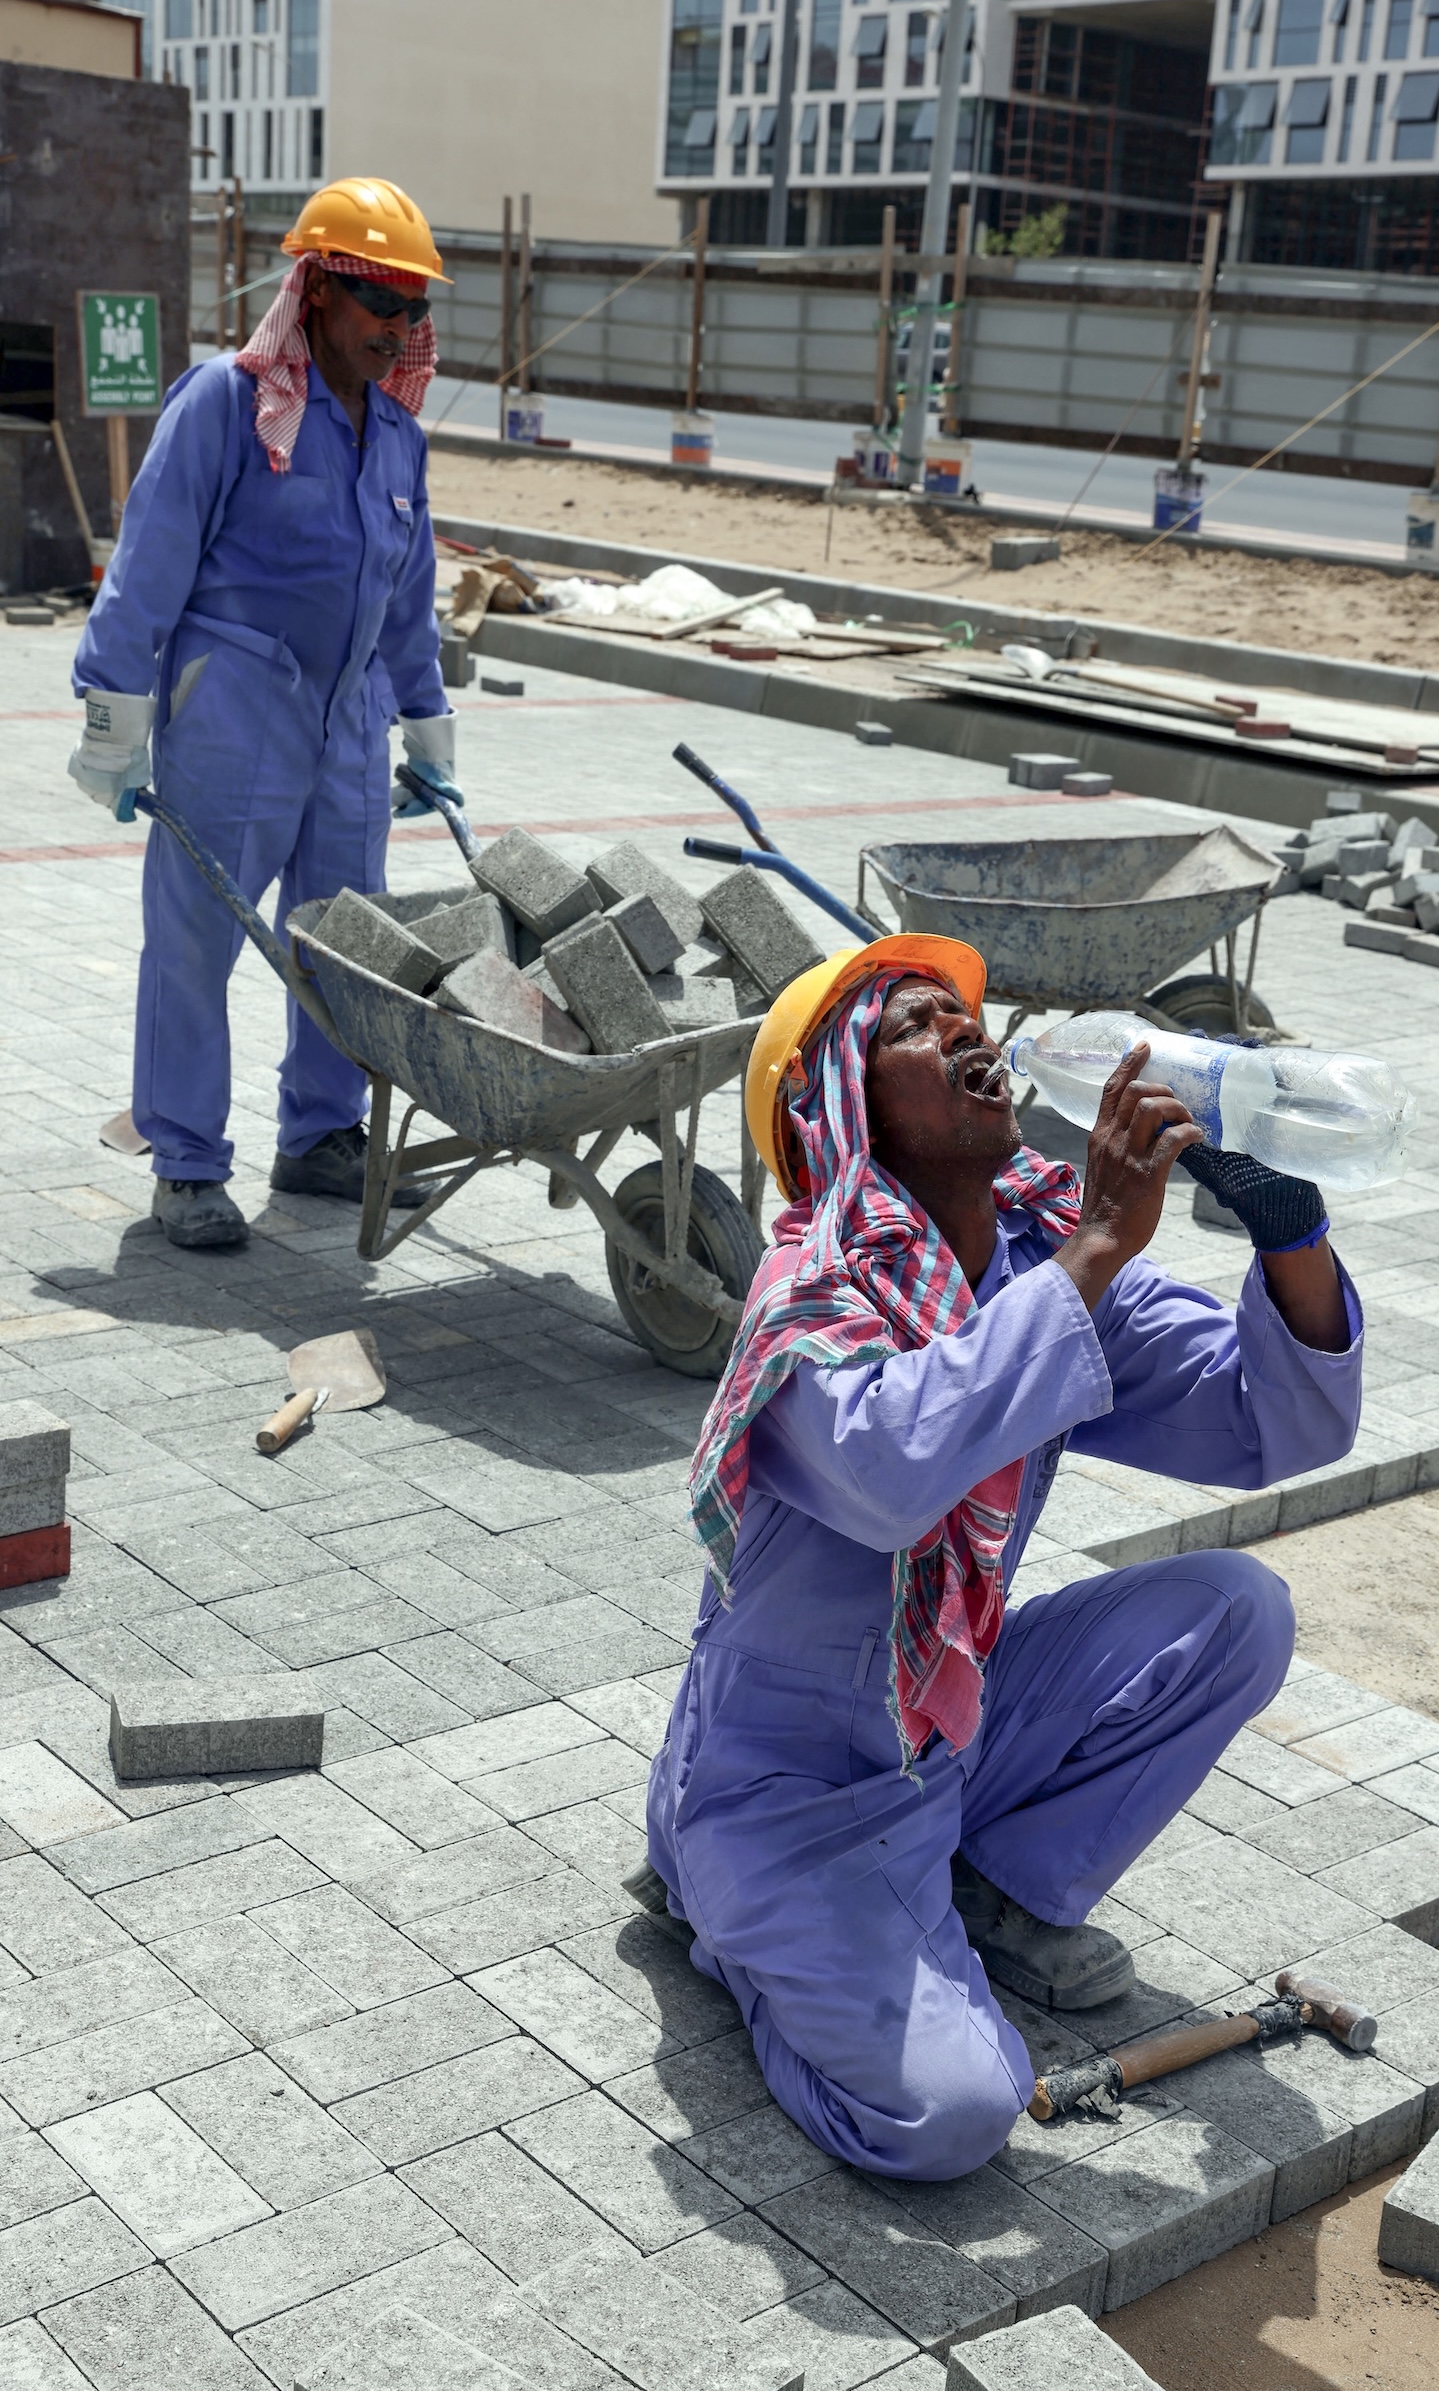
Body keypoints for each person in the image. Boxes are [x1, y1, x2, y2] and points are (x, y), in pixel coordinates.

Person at [634, 933, 1363, 2183]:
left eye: (963, 1012)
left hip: (938, 1739)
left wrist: (1285, 1227)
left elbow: (1268, 1418)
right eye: (915, 1024)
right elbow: (891, 1467)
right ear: (842, 1110)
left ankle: (990, 1887)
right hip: (785, 1788)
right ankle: (729, 1914)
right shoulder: (809, 1291)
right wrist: (1094, 1254)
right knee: (958, 2112)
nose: (968, 1031)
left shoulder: (1038, 1256)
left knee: (1234, 1608)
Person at [67, 177, 459, 1249]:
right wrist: (114, 711)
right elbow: (149, 560)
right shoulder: (224, 406)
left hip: (348, 721)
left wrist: (424, 719)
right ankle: (187, 1159)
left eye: (416, 309)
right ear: (321, 289)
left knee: (343, 942)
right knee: (196, 941)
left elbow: (406, 596)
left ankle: (321, 1133)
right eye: (384, 301)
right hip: (234, 707)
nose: (400, 327)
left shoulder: (396, 439)